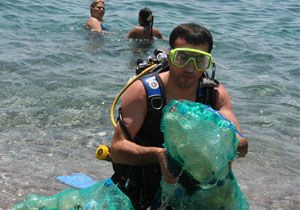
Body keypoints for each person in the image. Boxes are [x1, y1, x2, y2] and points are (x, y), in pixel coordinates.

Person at [110, 23, 248, 209]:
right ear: (169, 55)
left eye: (199, 60)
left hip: (192, 194)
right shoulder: (143, 92)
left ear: (208, 62)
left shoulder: (214, 94)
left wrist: (236, 144)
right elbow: (117, 151)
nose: (190, 69)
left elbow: (239, 142)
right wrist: (158, 155)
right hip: (142, 190)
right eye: (182, 57)